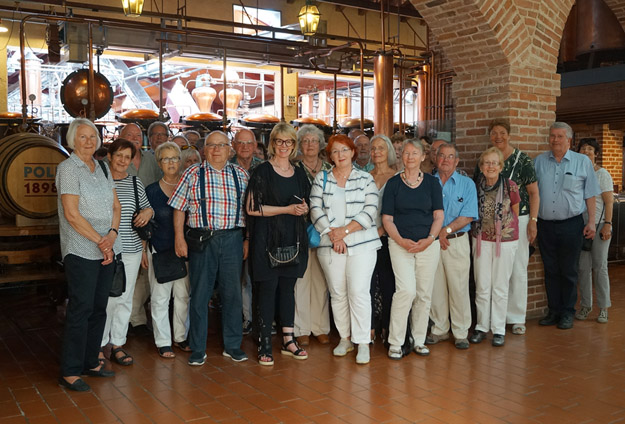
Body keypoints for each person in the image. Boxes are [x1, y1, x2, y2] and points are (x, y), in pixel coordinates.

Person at [170, 130, 249, 365]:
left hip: (233, 239)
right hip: (202, 240)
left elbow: (251, 212)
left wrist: (247, 240)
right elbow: (178, 208)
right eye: (211, 146)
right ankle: (197, 347)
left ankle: (233, 345)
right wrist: (179, 238)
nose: (216, 150)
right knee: (200, 294)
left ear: (229, 149)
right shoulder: (192, 174)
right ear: (204, 150)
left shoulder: (241, 175)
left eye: (221, 145)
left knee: (232, 294)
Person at [56, 118, 121, 391]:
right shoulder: (68, 168)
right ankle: (70, 370)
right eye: (82, 137)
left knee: (98, 308)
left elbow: (116, 206)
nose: (88, 141)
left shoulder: (103, 167)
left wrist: (112, 235)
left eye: (92, 136)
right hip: (81, 249)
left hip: (106, 247)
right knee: (81, 308)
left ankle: (90, 361)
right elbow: (72, 214)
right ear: (73, 140)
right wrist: (100, 241)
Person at [311, 134, 381, 365]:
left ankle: (363, 343)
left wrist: (345, 232)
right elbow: (315, 209)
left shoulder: (365, 179)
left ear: (352, 152)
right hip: (329, 244)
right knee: (338, 293)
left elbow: (371, 210)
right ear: (329, 156)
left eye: (344, 150)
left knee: (359, 293)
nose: (339, 155)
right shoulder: (322, 178)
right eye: (334, 151)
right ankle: (345, 338)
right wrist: (333, 234)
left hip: (361, 245)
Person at [246, 122, 311, 366]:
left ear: (294, 145)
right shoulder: (261, 171)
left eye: (289, 142)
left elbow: (305, 202)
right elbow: (252, 208)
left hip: (292, 238)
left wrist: (304, 209)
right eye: (280, 141)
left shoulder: (299, 171)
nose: (284, 146)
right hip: (267, 239)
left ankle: (288, 339)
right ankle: (264, 342)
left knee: (287, 289)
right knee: (267, 290)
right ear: (273, 143)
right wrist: (286, 209)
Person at [474, 119, 539, 335]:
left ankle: (516, 317)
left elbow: (533, 193)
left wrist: (532, 221)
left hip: (515, 221)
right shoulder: (484, 161)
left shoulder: (522, 161)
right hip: (486, 228)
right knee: (488, 278)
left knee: (517, 269)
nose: (498, 136)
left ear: (509, 135)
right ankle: (489, 321)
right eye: (494, 133)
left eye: (502, 132)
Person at [535, 122, 601, 330]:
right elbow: (532, 193)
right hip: (545, 225)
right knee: (551, 269)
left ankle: (567, 312)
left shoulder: (582, 162)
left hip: (572, 224)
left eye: (560, 136)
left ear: (569, 140)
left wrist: (591, 221)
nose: (555, 140)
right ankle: (554, 311)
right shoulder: (538, 162)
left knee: (569, 270)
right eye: (552, 136)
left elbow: (590, 194)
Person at [382, 139, 443, 359]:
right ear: (401, 157)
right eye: (406, 153)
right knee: (406, 291)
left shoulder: (432, 183)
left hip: (428, 245)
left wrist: (429, 239)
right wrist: (400, 240)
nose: (410, 157)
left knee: (424, 294)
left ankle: (418, 340)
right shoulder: (393, 184)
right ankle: (396, 342)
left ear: (423, 156)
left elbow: (439, 216)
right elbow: (387, 219)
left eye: (414, 153)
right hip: (400, 245)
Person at [101, 139, 154, 366]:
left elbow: (147, 207)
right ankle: (100, 343)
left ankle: (118, 343)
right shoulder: (100, 181)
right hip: (106, 248)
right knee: (106, 299)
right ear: (110, 156)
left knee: (125, 298)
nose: (123, 160)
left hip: (132, 247)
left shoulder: (135, 182)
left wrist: (149, 213)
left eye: (127, 157)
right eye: (119, 155)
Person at [427, 142, 478, 350]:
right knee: (436, 287)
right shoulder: (427, 182)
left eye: (450, 157)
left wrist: (444, 231)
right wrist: (436, 234)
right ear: (435, 158)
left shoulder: (467, 184)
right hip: (432, 243)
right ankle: (439, 329)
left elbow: (468, 215)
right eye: (441, 156)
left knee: (458, 287)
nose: (445, 160)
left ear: (456, 161)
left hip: (456, 242)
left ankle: (460, 332)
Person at [469, 147, 520, 347]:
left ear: (501, 166)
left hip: (505, 242)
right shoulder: (476, 185)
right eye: (487, 163)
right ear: (481, 167)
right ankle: (482, 326)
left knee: (499, 286)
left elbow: (515, 212)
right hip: (481, 240)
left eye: (494, 163)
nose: (490, 166)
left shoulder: (510, 186)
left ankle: (498, 329)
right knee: (481, 285)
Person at [145, 142, 191, 357]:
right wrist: (145, 249)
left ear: (180, 161)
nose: (171, 163)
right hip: (159, 248)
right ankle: (163, 341)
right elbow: (144, 224)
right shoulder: (151, 191)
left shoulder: (189, 185)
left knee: (183, 296)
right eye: (166, 159)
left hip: (185, 250)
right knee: (160, 298)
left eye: (175, 158)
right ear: (159, 162)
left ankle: (181, 337)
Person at [120, 123, 161, 334]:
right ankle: (128, 320)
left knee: (144, 272)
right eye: (129, 135)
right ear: (120, 137)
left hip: (149, 223)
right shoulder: (115, 161)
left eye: (138, 135)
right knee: (127, 275)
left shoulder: (152, 160)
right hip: (123, 225)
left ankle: (136, 319)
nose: (135, 138)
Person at [293, 124, 332, 346]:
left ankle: (320, 327)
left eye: (314, 141)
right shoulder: (293, 167)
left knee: (321, 280)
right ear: (300, 144)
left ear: (320, 144)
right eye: (305, 141)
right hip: (300, 230)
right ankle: (302, 328)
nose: (309, 145)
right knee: (301, 280)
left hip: (325, 231)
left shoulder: (329, 167)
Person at [576, 138, 614, 323]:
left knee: (600, 267)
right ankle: (585, 305)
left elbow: (608, 201)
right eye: (583, 149)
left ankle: (603, 307)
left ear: (596, 153)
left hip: (599, 225)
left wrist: (608, 224)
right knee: (583, 268)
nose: (586, 151)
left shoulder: (602, 174)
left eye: (590, 149)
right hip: (581, 226)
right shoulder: (577, 173)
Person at [230, 128, 264, 336]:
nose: (244, 147)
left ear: (255, 146)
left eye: (248, 143)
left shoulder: (263, 168)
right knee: (237, 278)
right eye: (240, 143)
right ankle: (244, 318)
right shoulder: (226, 167)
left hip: (260, 229)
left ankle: (259, 318)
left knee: (258, 277)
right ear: (233, 145)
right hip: (235, 230)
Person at [369, 134, 397, 342]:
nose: (377, 152)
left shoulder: (397, 177)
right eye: (374, 148)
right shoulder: (364, 176)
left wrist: (383, 231)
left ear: (389, 151)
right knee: (367, 285)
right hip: (367, 239)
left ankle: (387, 326)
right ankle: (369, 327)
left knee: (389, 284)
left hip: (389, 238)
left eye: (381, 148)